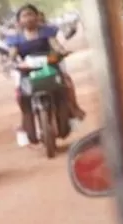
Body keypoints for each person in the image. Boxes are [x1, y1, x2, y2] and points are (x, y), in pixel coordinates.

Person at [9, 3, 86, 147]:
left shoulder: (47, 32)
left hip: (49, 66)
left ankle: (73, 112)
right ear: (19, 21)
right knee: (20, 95)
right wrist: (10, 61)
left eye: (31, 14)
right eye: (24, 16)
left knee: (66, 85)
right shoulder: (16, 39)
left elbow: (55, 45)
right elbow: (12, 54)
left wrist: (61, 52)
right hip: (27, 71)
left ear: (37, 16)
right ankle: (26, 126)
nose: (28, 18)